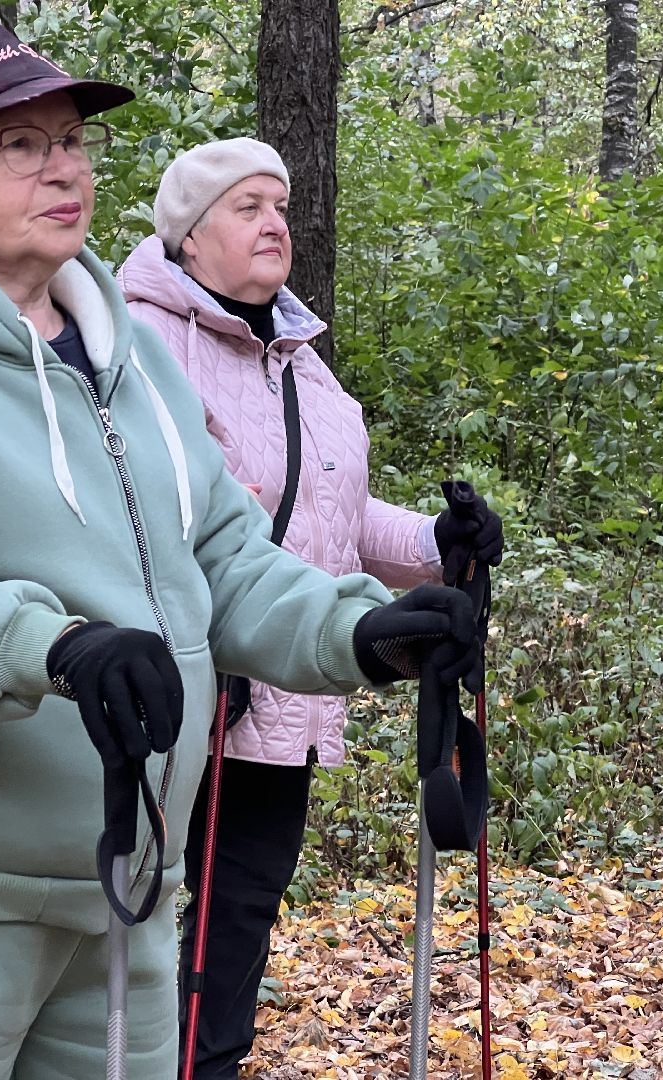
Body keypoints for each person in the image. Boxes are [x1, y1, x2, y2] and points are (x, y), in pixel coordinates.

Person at [0, 23, 479, 1080]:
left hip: (127, 884)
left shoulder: (130, 358)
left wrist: (358, 628)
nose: (62, 164)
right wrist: (47, 646)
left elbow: (223, 558)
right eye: (15, 144)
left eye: (71, 139)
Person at [116, 138, 504, 1079]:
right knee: (123, 916)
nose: (275, 223)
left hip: (286, 690)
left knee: (238, 913)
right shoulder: (140, 342)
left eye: (280, 206)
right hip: (174, 683)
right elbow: (147, 503)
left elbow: (333, 509)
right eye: (247, 207)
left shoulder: (303, 363)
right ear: (190, 235)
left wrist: (435, 546)